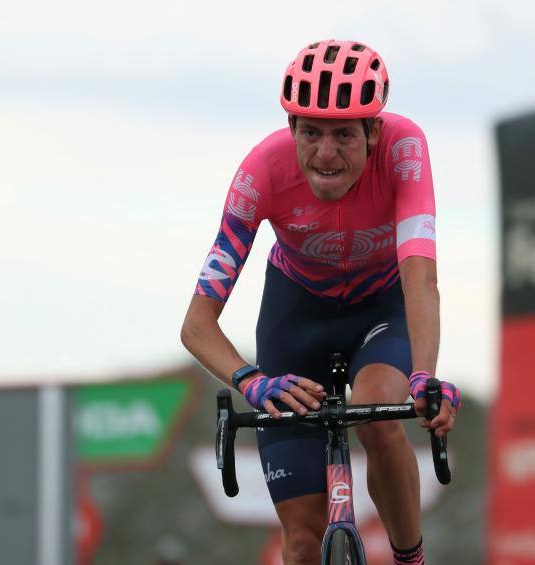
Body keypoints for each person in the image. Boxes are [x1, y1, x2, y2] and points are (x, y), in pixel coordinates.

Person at [181, 39, 461, 565]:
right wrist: (251, 380)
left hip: (381, 309)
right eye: (310, 133)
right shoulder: (260, 172)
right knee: (305, 540)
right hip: (296, 317)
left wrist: (424, 374)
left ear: (373, 131)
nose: (325, 154)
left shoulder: (404, 148)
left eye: (343, 135)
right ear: (291, 131)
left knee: (377, 412)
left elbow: (420, 279)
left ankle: (409, 559)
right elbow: (196, 326)